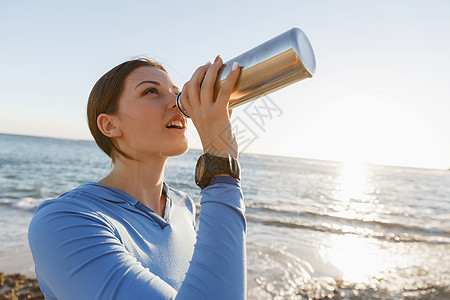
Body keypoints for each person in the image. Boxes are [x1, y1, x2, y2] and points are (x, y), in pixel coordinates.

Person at [28, 55, 246, 299]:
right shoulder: (63, 221)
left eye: (177, 93)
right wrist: (220, 164)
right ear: (109, 125)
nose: (177, 103)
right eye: (151, 91)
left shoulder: (183, 206)